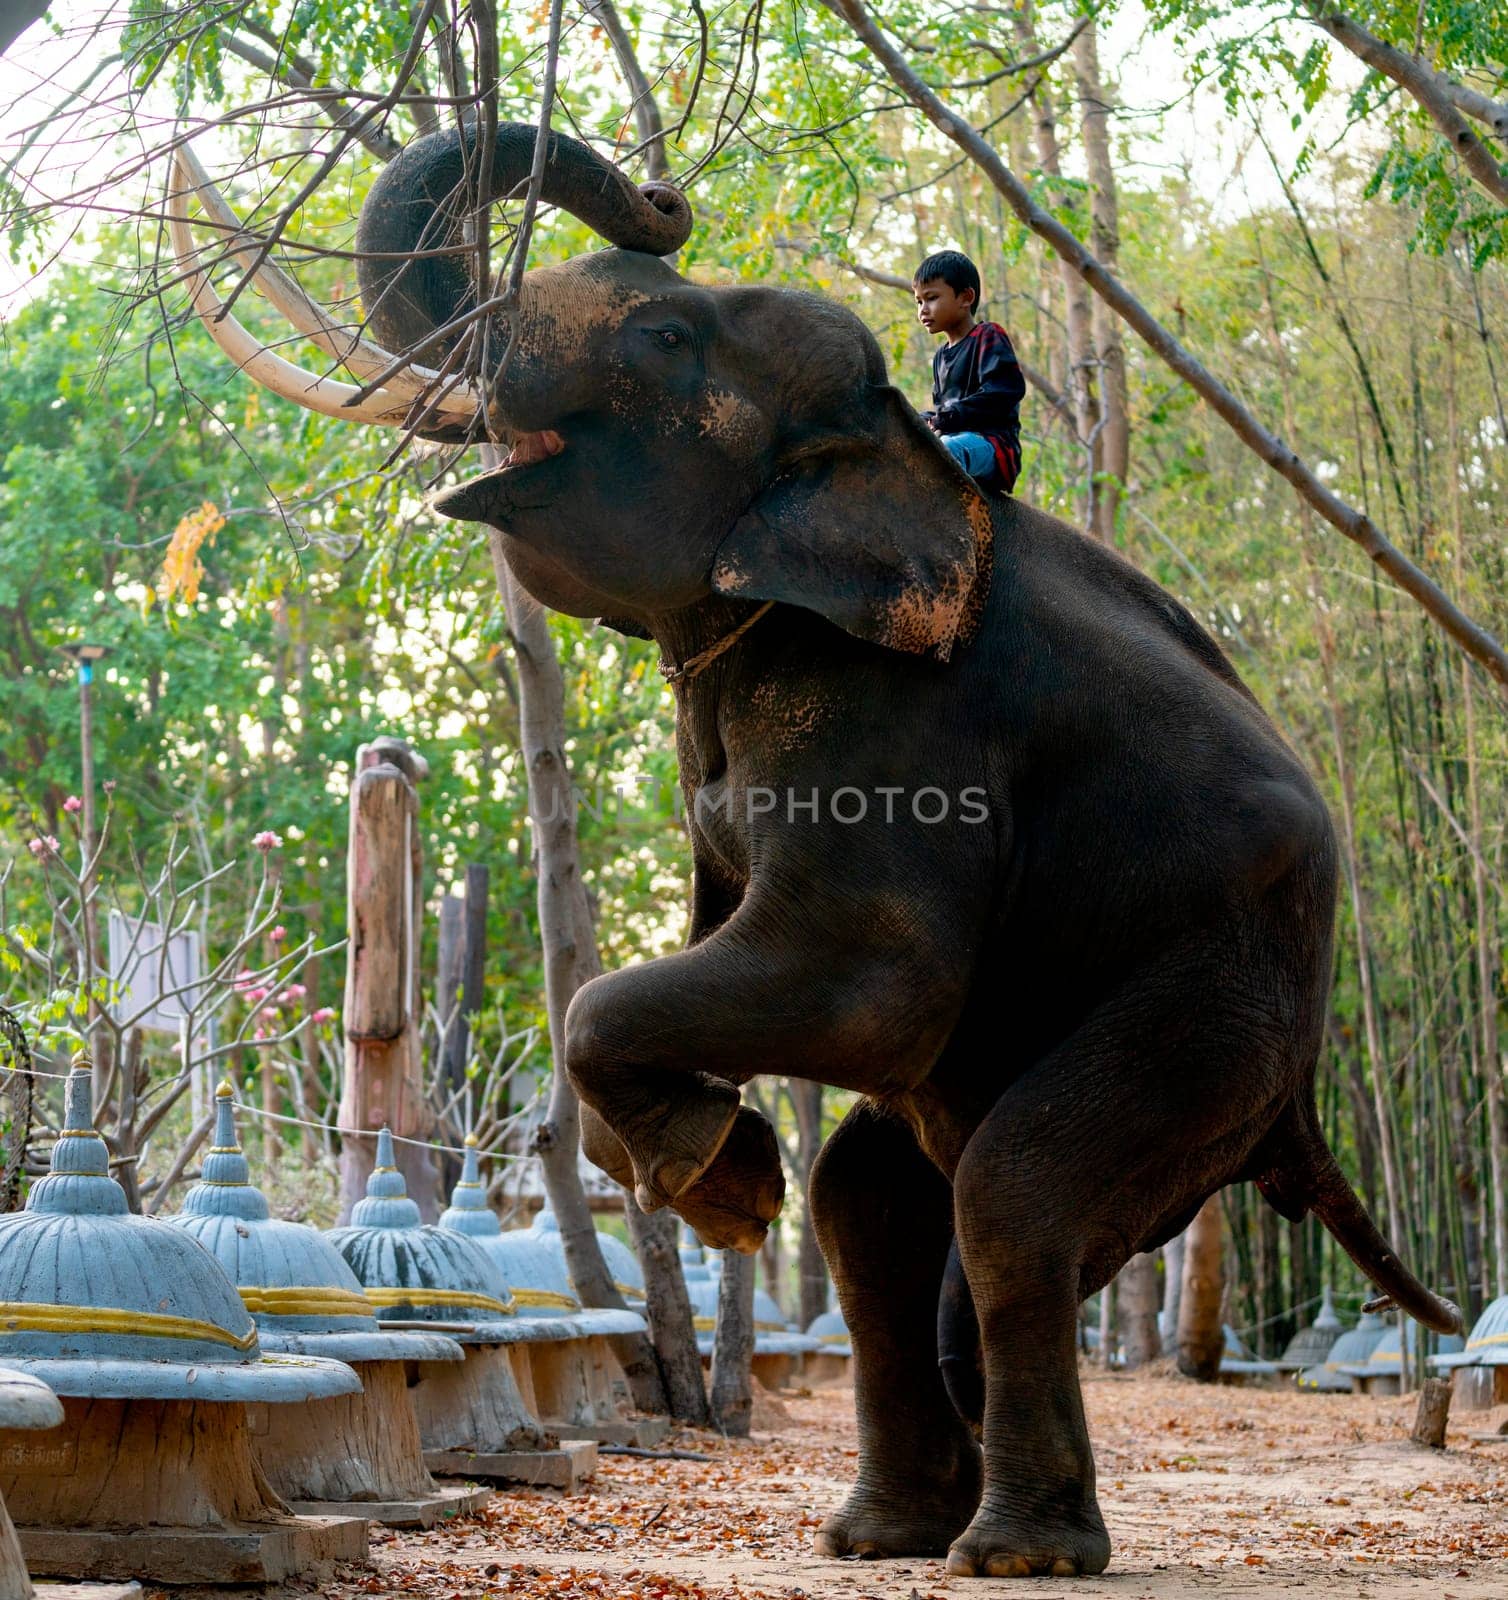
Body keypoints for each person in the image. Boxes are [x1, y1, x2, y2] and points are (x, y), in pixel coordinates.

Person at [913, 249, 1026, 494]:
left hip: (992, 445)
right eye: (919, 301)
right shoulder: (940, 357)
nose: (923, 309)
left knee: (945, 450)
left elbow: (1004, 392)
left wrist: (948, 417)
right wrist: (924, 420)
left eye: (931, 298)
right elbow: (945, 411)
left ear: (966, 297)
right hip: (953, 438)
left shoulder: (988, 336)